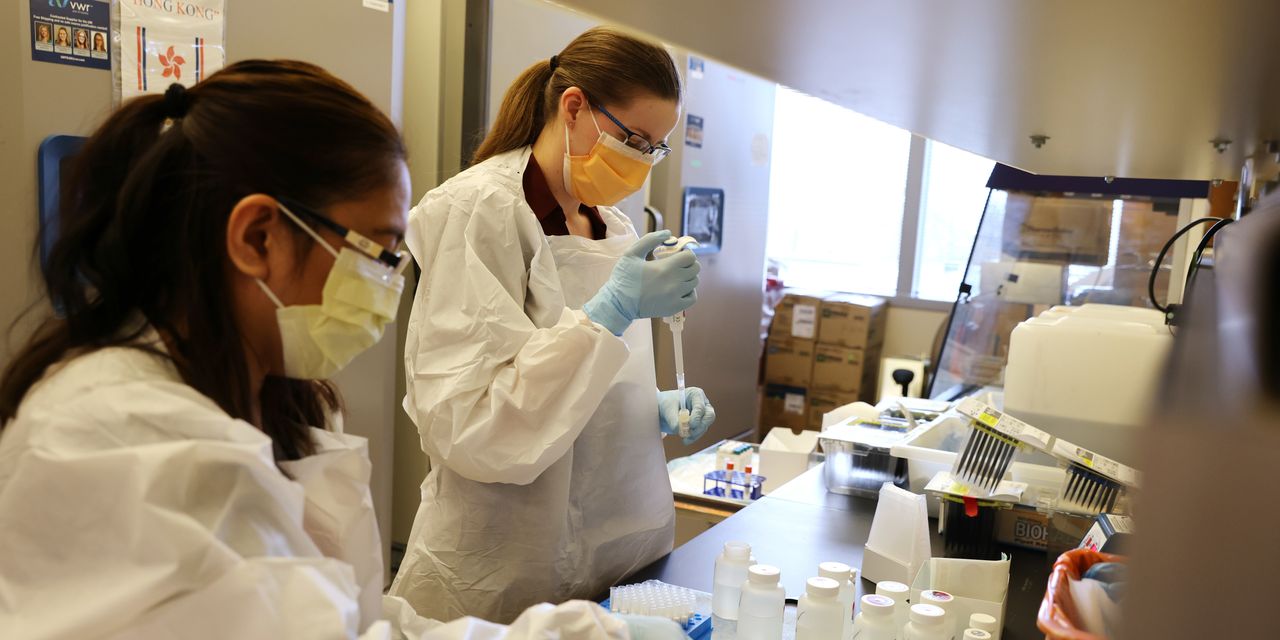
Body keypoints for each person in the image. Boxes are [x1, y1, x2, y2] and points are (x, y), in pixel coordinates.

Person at [0, 60, 681, 640]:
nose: (391, 283)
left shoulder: (270, 398)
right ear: (258, 237)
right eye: (378, 253)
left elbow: (345, 615)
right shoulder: (123, 439)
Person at [392, 27, 716, 623]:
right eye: (634, 139)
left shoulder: (614, 225)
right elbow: (472, 424)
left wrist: (645, 406)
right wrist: (608, 314)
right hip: (500, 564)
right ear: (573, 107)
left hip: (617, 547)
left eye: (656, 148)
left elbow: (586, 376)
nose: (642, 162)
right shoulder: (480, 210)